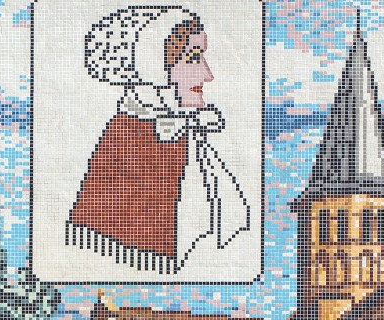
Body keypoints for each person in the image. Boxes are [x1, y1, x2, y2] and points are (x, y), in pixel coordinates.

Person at [68, 7, 250, 276]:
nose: (207, 74)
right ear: (157, 68)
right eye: (194, 58)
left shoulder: (189, 135)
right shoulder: (131, 138)